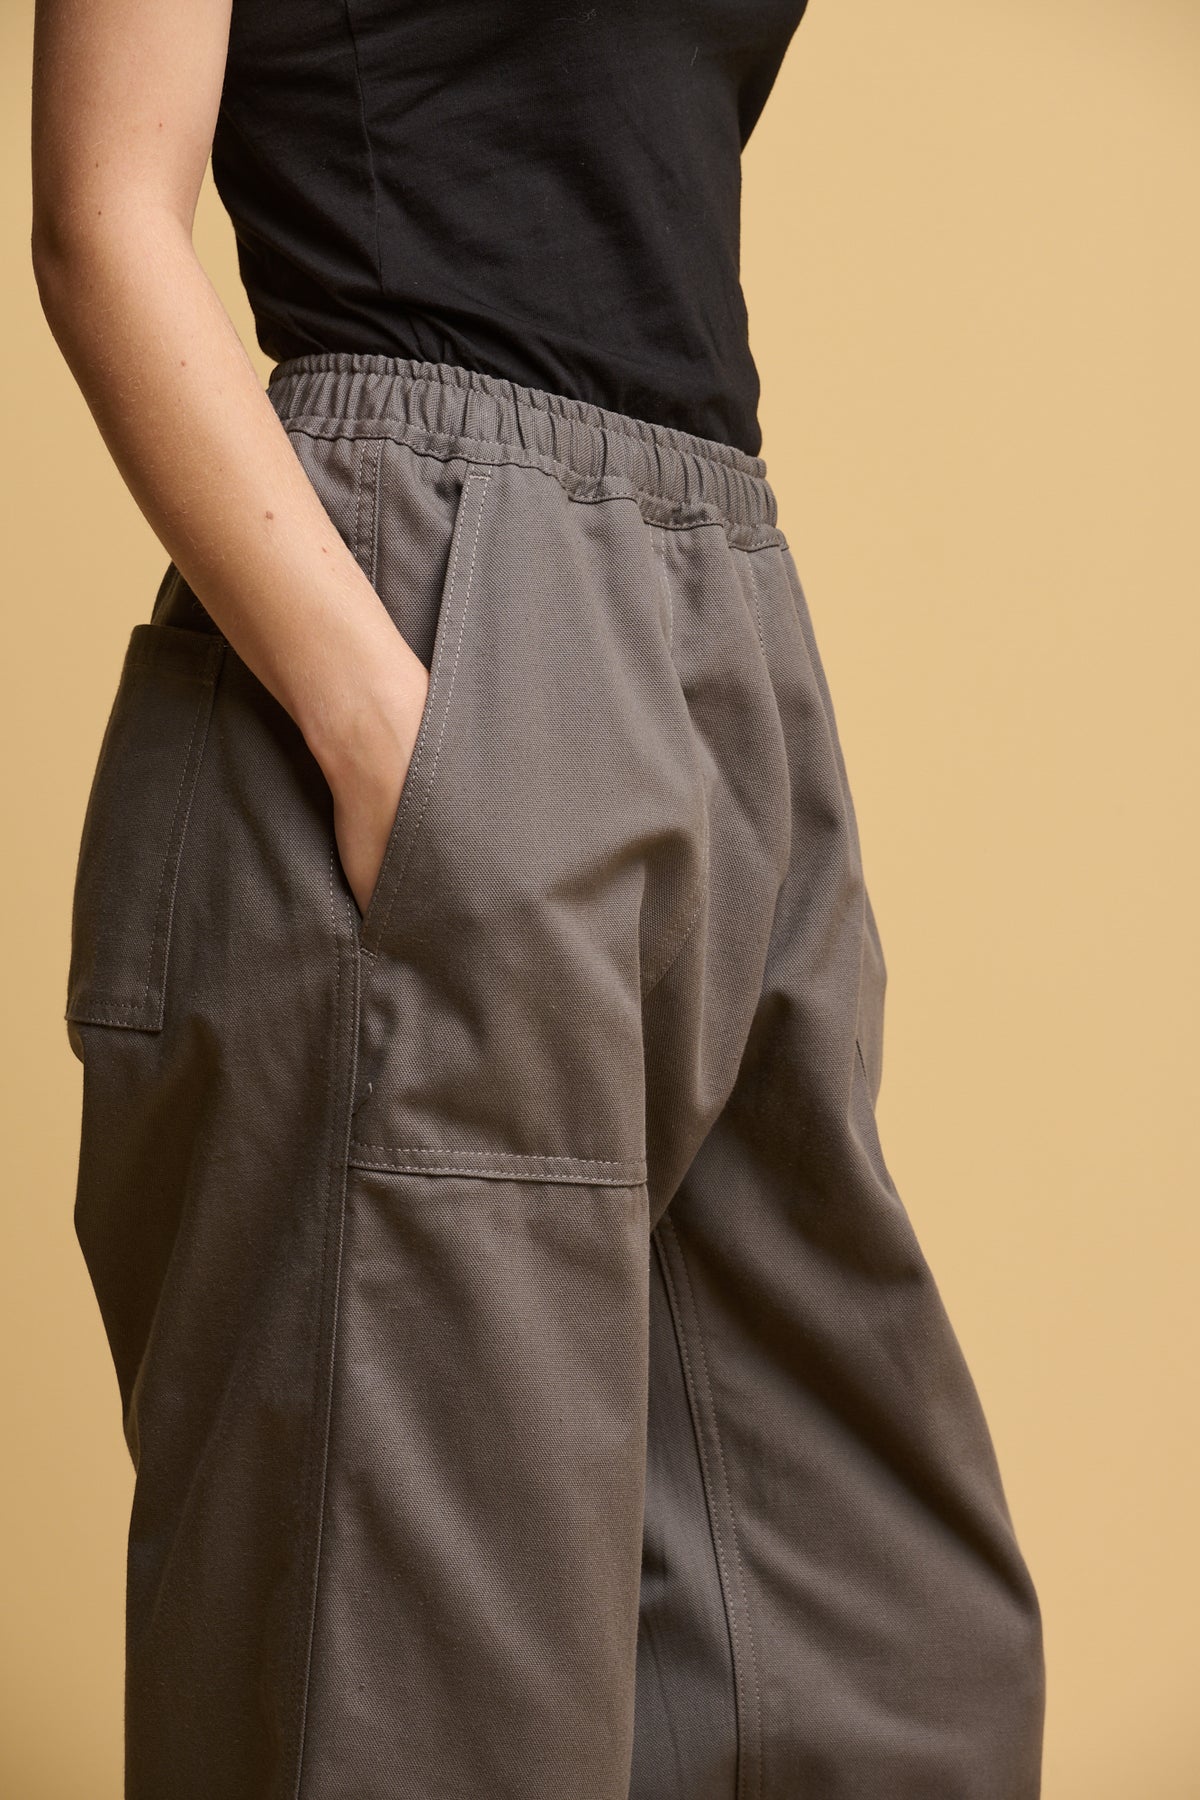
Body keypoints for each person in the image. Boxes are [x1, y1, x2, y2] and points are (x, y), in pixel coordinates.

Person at [31, 2, 1046, 1796]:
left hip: (722, 621)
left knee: (870, 1668)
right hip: (422, 596)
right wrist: (391, 740)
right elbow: (105, 212)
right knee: (407, 1713)